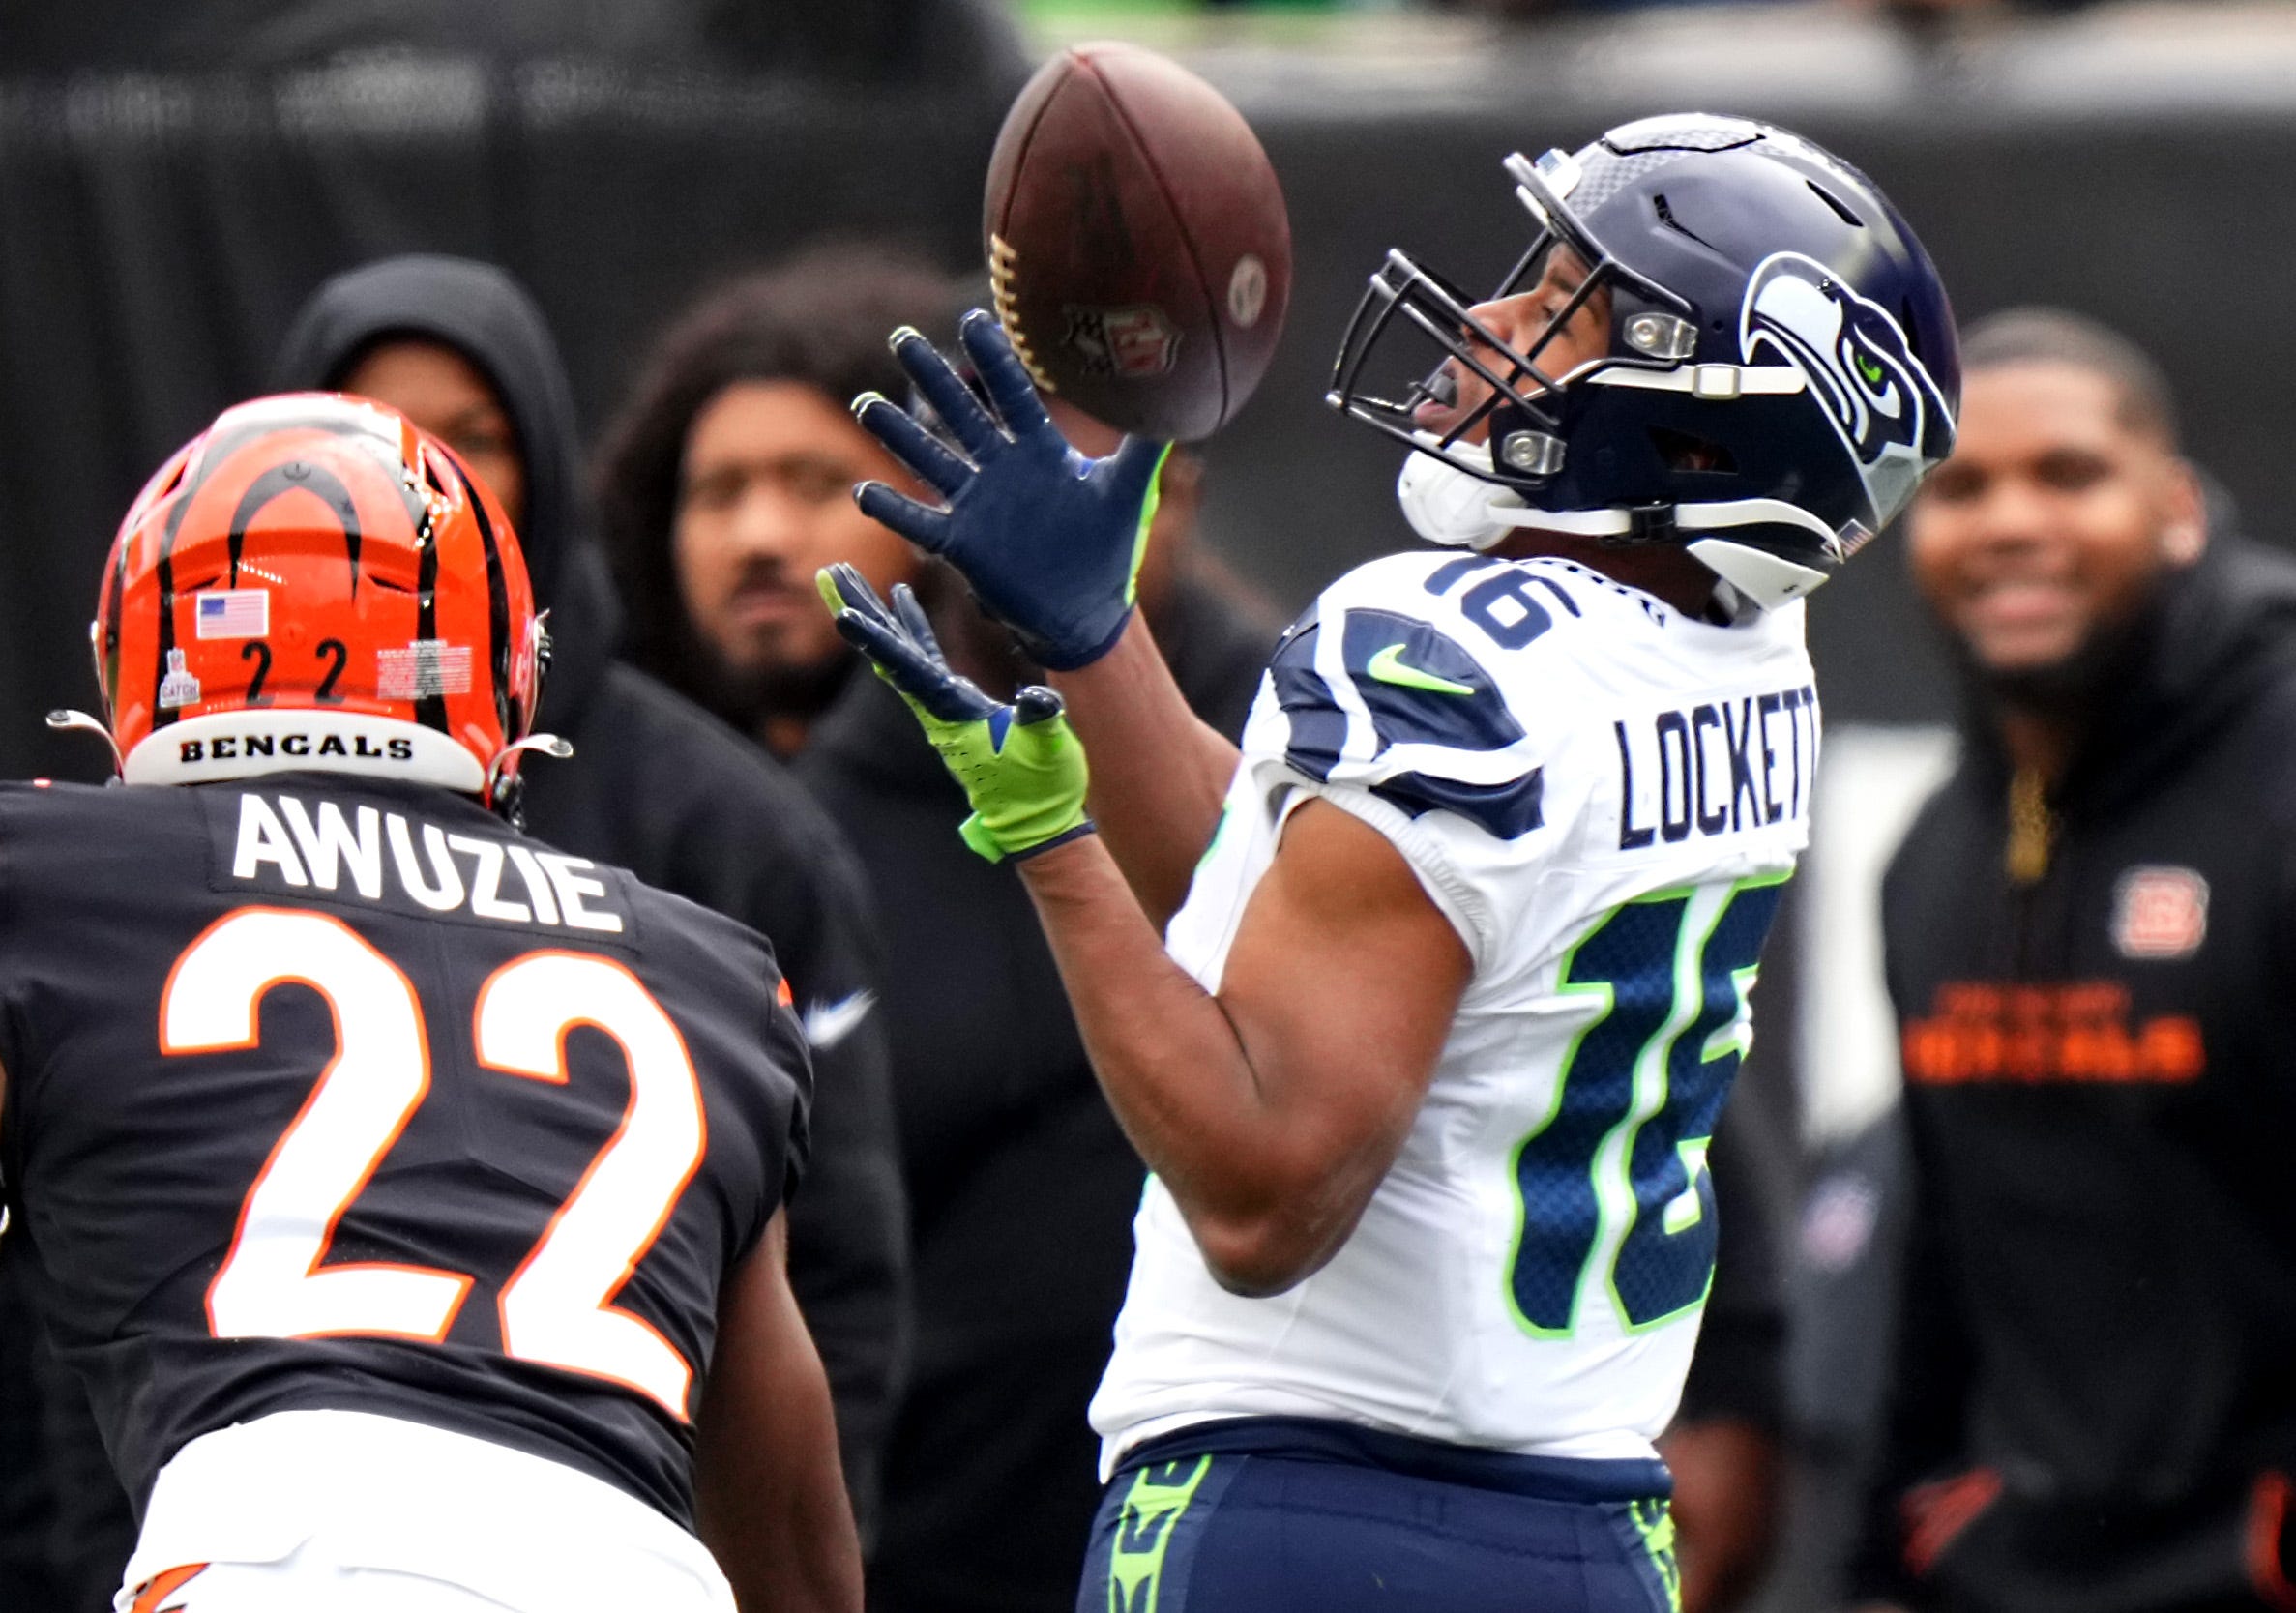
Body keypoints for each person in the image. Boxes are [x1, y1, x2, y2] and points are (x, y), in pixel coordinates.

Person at [827, 112, 1957, 1611]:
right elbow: (1288, 909)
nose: (1493, 323)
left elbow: (1263, 1202)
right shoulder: (1742, 660)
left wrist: (1050, 845)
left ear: (1698, 423)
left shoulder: (1430, 643)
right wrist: (1095, 647)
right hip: (1589, 1532)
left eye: (1565, 303)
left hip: (1303, 1512)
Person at [0, 395, 860, 1612]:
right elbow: (799, 1557)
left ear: (138, 651)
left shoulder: (21, 872)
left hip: (276, 1556)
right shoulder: (711, 971)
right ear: (503, 667)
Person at [596, 246, 1280, 1612]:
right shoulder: (762, 844)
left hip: (1233, 1526)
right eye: (717, 491)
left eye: (805, 483)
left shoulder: (1296, 745)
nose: (759, 539)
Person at [270, 255, 909, 1537]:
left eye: (471, 439)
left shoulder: (728, 834)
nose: (417, 481)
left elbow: (834, 1278)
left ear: (546, 474)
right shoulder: (204, 817)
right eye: (369, 435)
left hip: (618, 1535)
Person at [1853, 308, 2296, 1613]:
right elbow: (1933, 1255)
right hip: (2012, 1575)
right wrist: (1880, 1563)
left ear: (2170, 507)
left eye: (2067, 475)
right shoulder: (1935, 851)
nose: (2007, 524)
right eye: (1959, 488)